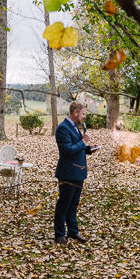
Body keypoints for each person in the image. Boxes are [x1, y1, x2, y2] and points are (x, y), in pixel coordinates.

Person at [54, 101, 98, 245]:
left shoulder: (74, 127)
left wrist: (88, 148)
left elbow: (77, 147)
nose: (84, 117)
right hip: (68, 172)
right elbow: (67, 150)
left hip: (79, 172)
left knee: (73, 204)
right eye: (83, 114)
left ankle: (73, 232)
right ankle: (59, 234)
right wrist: (84, 141)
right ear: (75, 113)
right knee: (64, 204)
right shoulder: (62, 128)